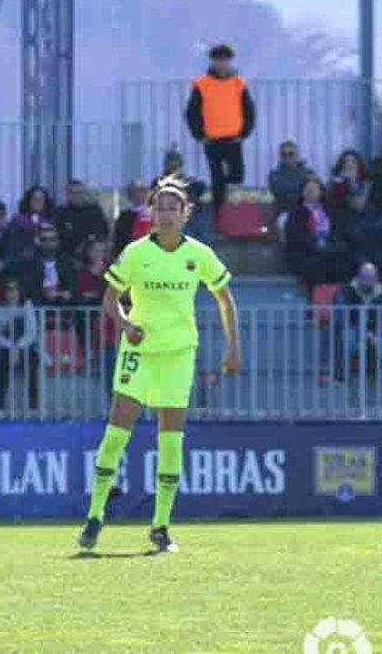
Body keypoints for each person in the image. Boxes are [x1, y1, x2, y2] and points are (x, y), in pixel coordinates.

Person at [79, 174, 241, 554]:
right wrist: (125, 323)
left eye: (173, 206)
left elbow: (225, 298)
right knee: (117, 433)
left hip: (178, 354)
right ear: (150, 212)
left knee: (171, 440)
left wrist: (233, 347)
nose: (166, 212)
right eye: (160, 206)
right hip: (139, 352)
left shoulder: (198, 254)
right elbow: (110, 298)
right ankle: (94, 517)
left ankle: (161, 526)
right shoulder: (136, 253)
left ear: (185, 214)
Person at [185, 42, 255, 218]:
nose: (221, 63)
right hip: (212, 140)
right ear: (212, 61)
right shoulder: (202, 84)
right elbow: (192, 112)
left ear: (230, 61)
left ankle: (226, 202)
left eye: (225, 59)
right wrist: (199, 135)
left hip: (233, 139)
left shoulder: (239, 83)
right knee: (216, 178)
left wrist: (244, 133)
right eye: (218, 59)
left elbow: (249, 110)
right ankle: (220, 214)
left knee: (237, 175)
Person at [331, 262, 382, 402]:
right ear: (358, 277)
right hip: (353, 331)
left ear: (376, 278)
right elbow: (342, 319)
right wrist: (364, 333)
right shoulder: (345, 292)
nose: (367, 280)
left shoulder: (381, 296)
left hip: (374, 334)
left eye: (371, 277)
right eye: (364, 276)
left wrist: (379, 336)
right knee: (347, 338)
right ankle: (341, 379)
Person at [283, 176, 349, 290]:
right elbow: (296, 237)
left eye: (314, 189)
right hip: (306, 252)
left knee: (342, 259)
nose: (310, 192)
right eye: (307, 189)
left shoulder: (329, 210)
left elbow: (337, 232)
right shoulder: (296, 213)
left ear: (321, 192)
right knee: (317, 265)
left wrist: (330, 245)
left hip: (329, 249)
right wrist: (317, 245)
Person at [0, 278, 40, 411]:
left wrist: (18, 347)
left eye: (15, 290)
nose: (12, 293)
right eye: (9, 290)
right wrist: (10, 348)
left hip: (24, 347)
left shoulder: (27, 305)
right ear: (4, 292)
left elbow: (31, 332)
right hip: (3, 347)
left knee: (33, 363)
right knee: (2, 366)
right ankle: (0, 407)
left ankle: (33, 407)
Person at [9, 223, 72, 306]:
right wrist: (45, 293)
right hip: (37, 306)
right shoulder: (29, 264)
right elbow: (28, 289)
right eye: (44, 239)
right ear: (38, 242)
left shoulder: (66, 263)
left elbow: (72, 287)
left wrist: (60, 294)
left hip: (63, 308)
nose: (48, 243)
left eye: (52, 239)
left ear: (58, 242)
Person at [54, 179, 109, 259]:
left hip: (93, 256)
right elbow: (59, 236)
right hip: (68, 256)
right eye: (74, 193)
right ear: (67, 195)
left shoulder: (94, 211)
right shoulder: (60, 213)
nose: (77, 196)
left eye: (80, 192)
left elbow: (103, 231)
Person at [7, 185, 54, 258]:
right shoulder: (17, 219)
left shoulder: (51, 220)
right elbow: (12, 243)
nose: (38, 201)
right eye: (34, 198)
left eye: (41, 198)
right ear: (28, 200)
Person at [267, 140, 314, 210]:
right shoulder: (274, 175)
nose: (287, 157)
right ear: (280, 156)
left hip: (305, 211)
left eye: (291, 154)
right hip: (284, 212)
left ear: (296, 155)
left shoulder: (308, 172)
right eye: (284, 154)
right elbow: (282, 192)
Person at [112, 180, 152, 258]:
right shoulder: (124, 217)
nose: (140, 194)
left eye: (143, 191)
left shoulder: (155, 213)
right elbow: (119, 240)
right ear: (130, 195)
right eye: (136, 191)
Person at [327, 149, 369, 214]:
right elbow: (329, 202)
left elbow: (358, 207)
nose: (349, 164)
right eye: (346, 162)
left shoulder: (365, 184)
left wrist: (351, 182)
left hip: (358, 220)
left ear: (359, 165)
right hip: (336, 218)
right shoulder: (334, 181)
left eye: (353, 162)